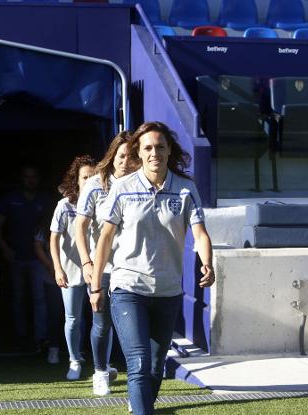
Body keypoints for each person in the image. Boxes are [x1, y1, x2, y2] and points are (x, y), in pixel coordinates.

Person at [90, 122, 215, 415]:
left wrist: (207, 263)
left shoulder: (185, 189)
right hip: (127, 287)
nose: (154, 152)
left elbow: (200, 233)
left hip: (168, 290)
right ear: (139, 152)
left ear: (169, 150)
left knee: (157, 366)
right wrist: (96, 286)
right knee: (139, 362)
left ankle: (139, 405)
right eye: (147, 147)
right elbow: (105, 238)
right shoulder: (122, 188)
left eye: (160, 146)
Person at [75, 131, 137, 395]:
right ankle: (100, 371)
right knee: (102, 323)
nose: (125, 161)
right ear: (112, 156)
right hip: (103, 268)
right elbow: (80, 227)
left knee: (132, 324)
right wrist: (87, 262)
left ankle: (137, 375)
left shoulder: (140, 184)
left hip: (133, 267)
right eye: (121, 156)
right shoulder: (95, 185)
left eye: (131, 157)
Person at [0, 165, 51, 351]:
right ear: (21, 179)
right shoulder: (10, 199)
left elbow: (54, 228)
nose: (30, 180)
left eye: (33, 177)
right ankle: (21, 337)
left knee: (39, 298)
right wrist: (5, 248)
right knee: (18, 298)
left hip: (38, 258)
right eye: (27, 177)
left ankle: (40, 338)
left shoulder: (45, 200)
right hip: (16, 256)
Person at [50, 155, 96, 380]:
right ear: (76, 180)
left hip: (96, 270)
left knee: (99, 317)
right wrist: (58, 269)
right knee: (73, 318)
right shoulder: (64, 205)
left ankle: (100, 364)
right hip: (70, 271)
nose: (89, 181)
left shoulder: (103, 201)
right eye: (85, 177)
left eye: (93, 176)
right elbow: (53, 239)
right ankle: (74, 360)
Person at [34, 204, 65, 364]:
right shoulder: (45, 227)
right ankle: (53, 348)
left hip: (74, 277)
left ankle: (78, 350)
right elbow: (38, 246)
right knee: (54, 313)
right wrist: (50, 266)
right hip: (52, 278)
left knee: (76, 316)